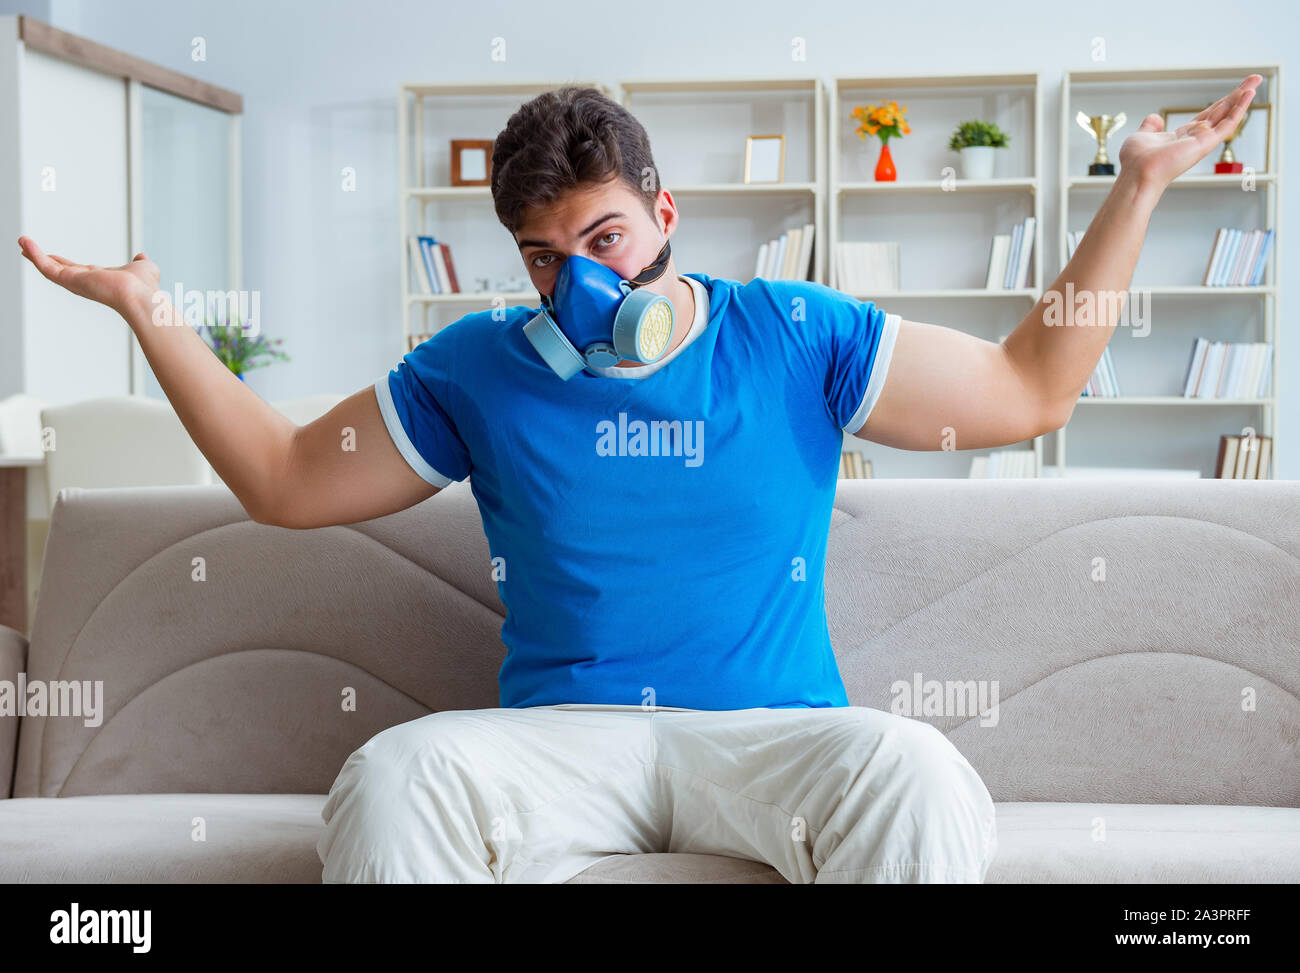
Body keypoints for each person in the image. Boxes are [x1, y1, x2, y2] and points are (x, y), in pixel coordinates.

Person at [17, 75, 1261, 884]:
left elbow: (1029, 390)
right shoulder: (477, 368)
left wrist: (1139, 182)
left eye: (604, 240)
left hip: (775, 737)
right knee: (393, 774)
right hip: (565, 743)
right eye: (545, 259)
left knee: (917, 770)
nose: (581, 288)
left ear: (665, 211)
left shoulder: (796, 333)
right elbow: (287, 479)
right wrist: (150, 313)